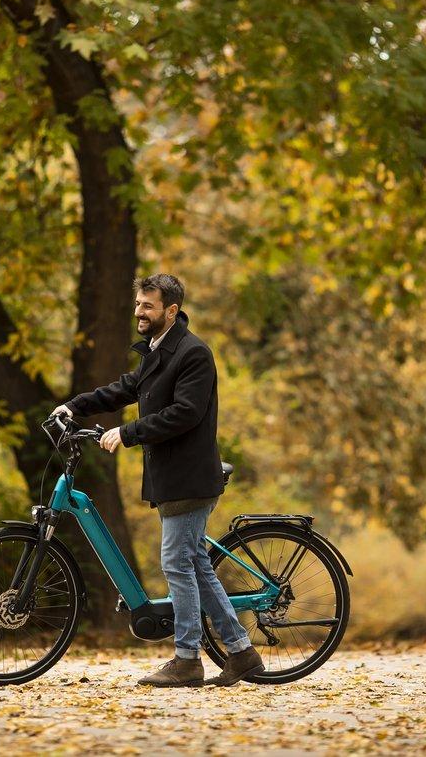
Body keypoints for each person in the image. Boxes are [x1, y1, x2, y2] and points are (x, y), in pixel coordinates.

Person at [51, 273, 263, 687]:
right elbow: (127, 388)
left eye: (147, 306)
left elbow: (185, 412)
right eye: (137, 305)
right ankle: (240, 652)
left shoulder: (193, 353)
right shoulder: (158, 351)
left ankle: (188, 659)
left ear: (171, 310)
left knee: (176, 563)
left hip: (189, 476)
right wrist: (75, 406)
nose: (139, 313)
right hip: (171, 477)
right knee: (192, 562)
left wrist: (127, 432)